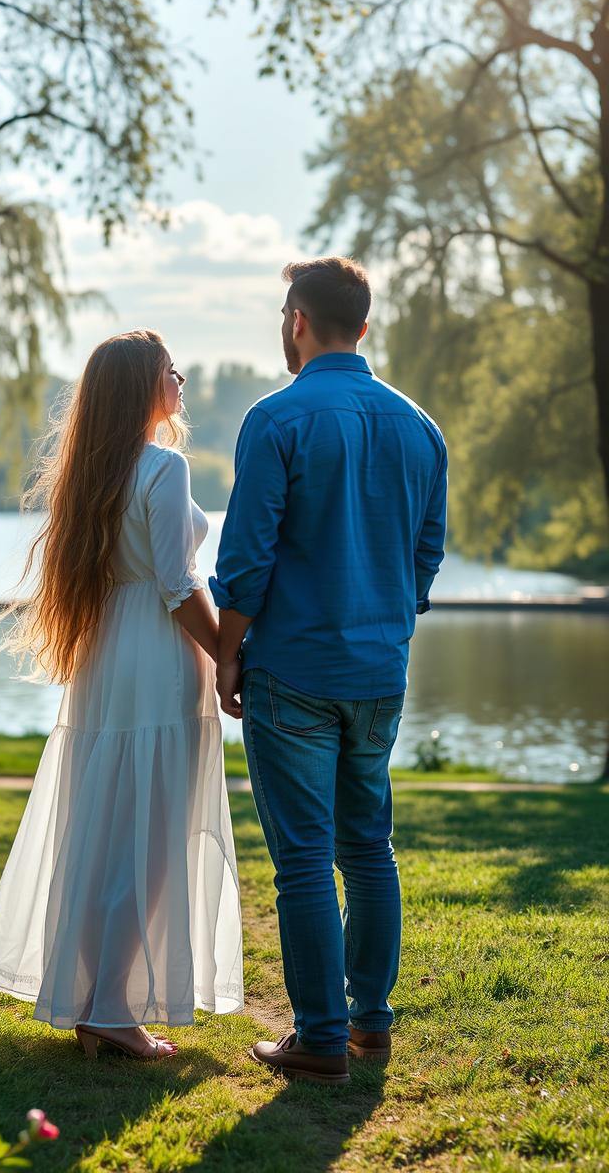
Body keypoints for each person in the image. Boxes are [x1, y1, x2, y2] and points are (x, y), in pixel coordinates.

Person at [0, 330, 243, 1059]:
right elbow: (179, 584)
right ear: (141, 389)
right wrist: (225, 657)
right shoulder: (164, 467)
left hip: (103, 655)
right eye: (168, 371)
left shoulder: (89, 473)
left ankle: (95, 995)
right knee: (152, 838)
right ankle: (113, 1008)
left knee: (102, 827)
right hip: (156, 653)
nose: (180, 379)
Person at [210, 256, 447, 1084]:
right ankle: (369, 1026)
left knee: (307, 859)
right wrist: (385, 618)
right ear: (366, 326)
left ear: (299, 321)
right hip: (379, 671)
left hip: (294, 670)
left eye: (284, 315)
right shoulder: (420, 428)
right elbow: (426, 556)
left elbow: (244, 560)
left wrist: (225, 653)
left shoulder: (276, 419)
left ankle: (318, 1037)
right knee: (368, 849)